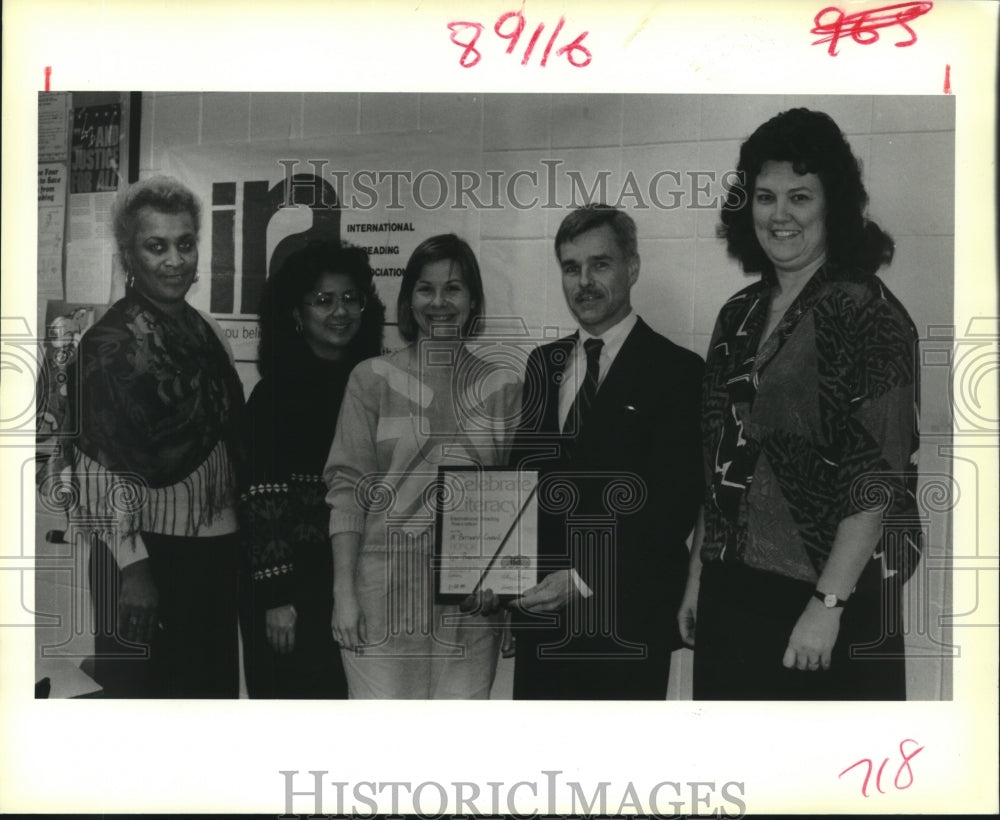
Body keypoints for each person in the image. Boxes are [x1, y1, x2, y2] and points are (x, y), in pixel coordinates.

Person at [678, 108, 921, 700]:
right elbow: (719, 462)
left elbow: (877, 477)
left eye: (799, 196)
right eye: (765, 196)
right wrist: (696, 581)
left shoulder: (869, 315)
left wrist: (827, 605)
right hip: (731, 594)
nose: (779, 215)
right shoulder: (736, 315)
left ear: (832, 206)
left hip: (827, 603)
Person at [503, 204, 704, 700]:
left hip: (626, 619)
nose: (584, 282)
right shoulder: (542, 364)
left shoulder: (678, 371)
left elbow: (672, 506)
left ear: (632, 268)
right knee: (541, 771)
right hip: (543, 620)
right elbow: (522, 485)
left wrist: (581, 577)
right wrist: (505, 584)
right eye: (571, 268)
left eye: (600, 264)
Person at [68, 176, 245, 697]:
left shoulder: (207, 330)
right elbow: (91, 470)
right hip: (144, 559)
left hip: (213, 555)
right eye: (156, 246)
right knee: (143, 711)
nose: (175, 260)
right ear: (129, 254)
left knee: (205, 702)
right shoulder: (106, 345)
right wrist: (133, 567)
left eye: (185, 243)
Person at [324, 234, 520, 698]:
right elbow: (347, 491)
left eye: (453, 289)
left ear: (473, 301)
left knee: (456, 754)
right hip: (381, 595)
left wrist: (507, 598)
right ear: (408, 299)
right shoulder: (370, 380)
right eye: (425, 288)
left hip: (473, 607)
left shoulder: (504, 388)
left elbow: (511, 503)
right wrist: (343, 593)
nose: (439, 302)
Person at [241, 241, 386, 698]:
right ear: (296, 314)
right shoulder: (274, 395)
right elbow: (259, 497)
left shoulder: (376, 385)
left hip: (356, 580)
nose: (339, 311)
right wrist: (277, 597)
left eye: (349, 298)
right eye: (323, 300)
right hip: (290, 593)